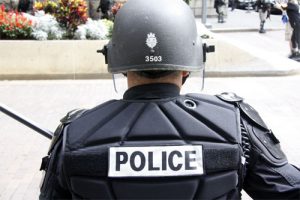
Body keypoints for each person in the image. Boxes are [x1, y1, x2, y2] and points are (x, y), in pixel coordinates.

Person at [39, 0, 300, 199]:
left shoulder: (75, 132)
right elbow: (287, 189)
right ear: (191, 63)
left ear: (117, 63)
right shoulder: (234, 123)